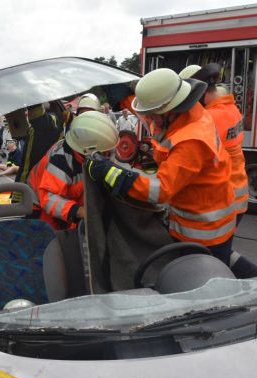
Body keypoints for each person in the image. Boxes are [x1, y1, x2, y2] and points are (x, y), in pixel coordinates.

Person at [86, 68, 239, 269]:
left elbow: (160, 190)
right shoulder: (194, 115)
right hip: (206, 221)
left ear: (168, 110)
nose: (151, 121)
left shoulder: (191, 140)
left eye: (152, 115)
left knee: (201, 289)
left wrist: (110, 172)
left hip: (204, 233)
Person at [179, 64, 256, 277]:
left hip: (223, 199)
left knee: (214, 262)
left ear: (202, 92)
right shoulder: (230, 109)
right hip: (238, 194)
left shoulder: (211, 119)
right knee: (223, 252)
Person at [27, 111, 119, 230]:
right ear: (88, 148)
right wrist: (81, 212)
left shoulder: (84, 154)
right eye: (104, 153)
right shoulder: (61, 160)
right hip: (39, 205)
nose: (107, 156)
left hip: (67, 199)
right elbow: (49, 199)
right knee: (52, 241)